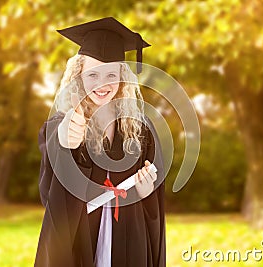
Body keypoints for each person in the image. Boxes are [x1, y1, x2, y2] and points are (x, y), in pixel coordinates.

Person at [34, 17, 166, 267]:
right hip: (82, 239)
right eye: (93, 74)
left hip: (130, 235)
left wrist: (147, 191)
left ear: (122, 77)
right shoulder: (61, 124)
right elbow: (49, 194)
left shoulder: (141, 129)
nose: (102, 84)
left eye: (110, 74)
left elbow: (154, 198)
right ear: (79, 76)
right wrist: (65, 142)